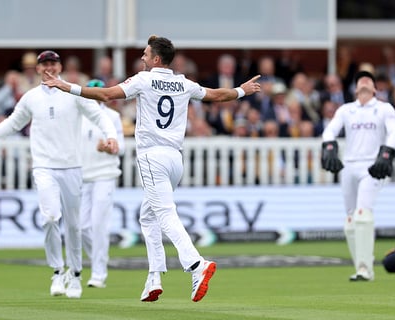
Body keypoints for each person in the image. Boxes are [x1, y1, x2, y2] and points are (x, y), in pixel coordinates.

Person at [43, 35, 261, 302]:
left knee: (165, 214)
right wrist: (241, 90)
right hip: (174, 160)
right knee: (148, 217)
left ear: (156, 58)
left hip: (152, 156)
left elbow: (107, 94)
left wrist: (66, 86)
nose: (143, 57)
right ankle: (154, 277)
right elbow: (217, 95)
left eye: (146, 54)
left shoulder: (143, 80)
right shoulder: (183, 82)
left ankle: (196, 264)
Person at [0, 50, 119, 299]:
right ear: (38, 69)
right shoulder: (31, 97)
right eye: (45, 64)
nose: (49, 68)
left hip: (72, 167)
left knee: (73, 225)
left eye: (53, 63)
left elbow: (99, 116)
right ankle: (56, 271)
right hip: (44, 166)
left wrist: (112, 136)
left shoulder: (74, 92)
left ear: (60, 66)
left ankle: (74, 274)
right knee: (50, 217)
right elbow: (14, 122)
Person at [321, 70, 395, 281]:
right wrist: (329, 147)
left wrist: (386, 152)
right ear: (355, 89)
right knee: (350, 220)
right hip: (348, 166)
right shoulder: (347, 110)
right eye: (360, 80)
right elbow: (329, 131)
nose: (364, 81)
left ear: (375, 88)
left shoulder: (384, 108)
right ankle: (361, 267)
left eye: (368, 79)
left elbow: (394, 132)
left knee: (363, 214)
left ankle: (365, 269)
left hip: (372, 166)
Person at [77, 79, 125, 289]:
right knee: (81, 227)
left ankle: (98, 274)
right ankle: (99, 258)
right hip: (82, 176)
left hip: (105, 175)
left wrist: (108, 147)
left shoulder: (112, 116)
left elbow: (120, 147)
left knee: (98, 224)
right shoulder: (78, 117)